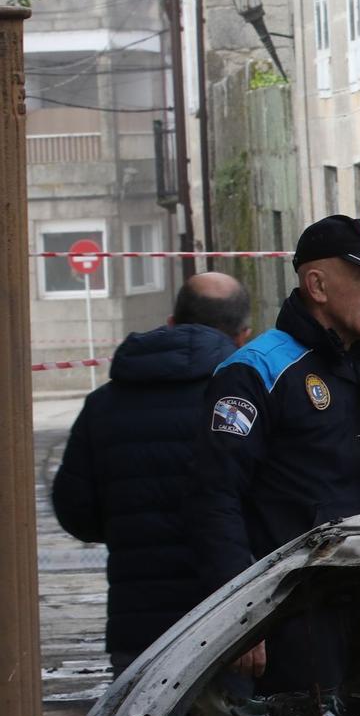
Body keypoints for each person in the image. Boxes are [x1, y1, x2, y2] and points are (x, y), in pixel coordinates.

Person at [189, 215, 360, 688]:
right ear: (317, 285)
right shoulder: (258, 370)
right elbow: (213, 500)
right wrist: (237, 616)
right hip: (290, 611)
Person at [52, 273, 255, 671]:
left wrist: (129, 522)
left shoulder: (103, 404)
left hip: (139, 628)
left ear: (171, 322)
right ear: (242, 337)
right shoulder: (244, 400)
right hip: (226, 623)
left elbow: (75, 511)